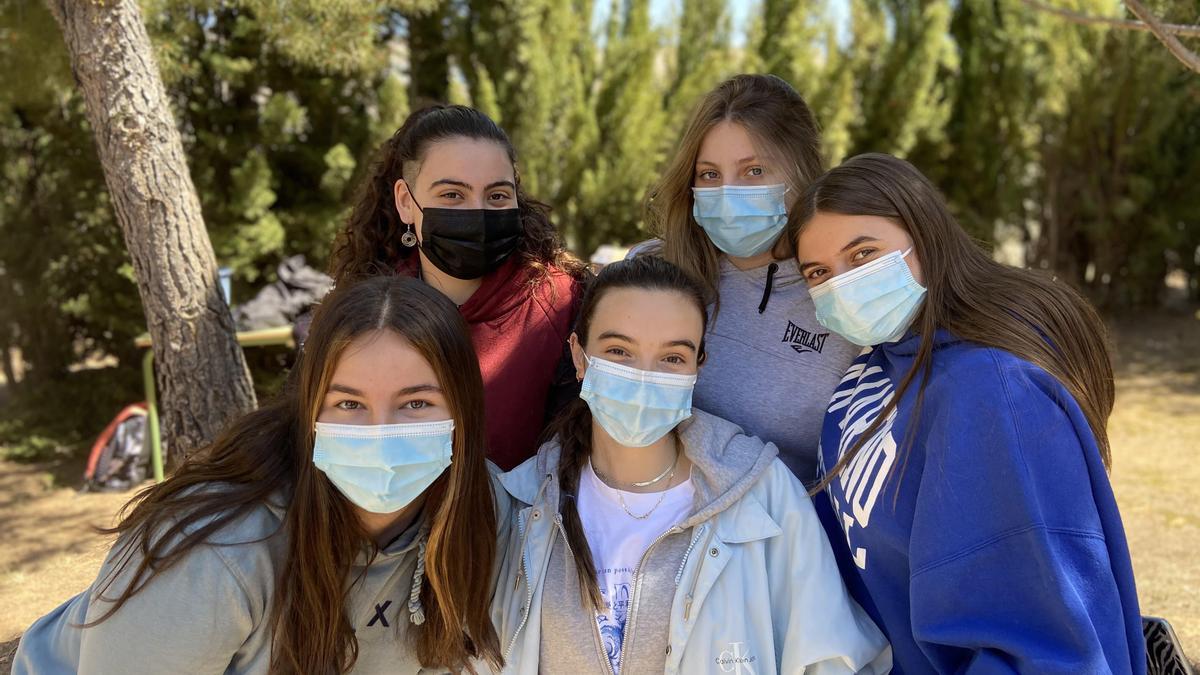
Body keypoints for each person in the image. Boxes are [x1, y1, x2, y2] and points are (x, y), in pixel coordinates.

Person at [13, 276, 503, 674]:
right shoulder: (212, 554)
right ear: (309, 409)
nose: (381, 435)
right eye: (348, 403)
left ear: (462, 410)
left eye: (416, 403)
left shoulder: (477, 514)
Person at [792, 153, 1145, 674]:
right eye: (819, 272)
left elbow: (1046, 646)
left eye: (863, 254)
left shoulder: (994, 394)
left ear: (926, 240)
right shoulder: (882, 354)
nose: (841, 284)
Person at [491, 256, 891, 674]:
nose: (644, 374)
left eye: (672, 358)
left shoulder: (764, 497)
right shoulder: (522, 502)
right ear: (579, 356)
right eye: (618, 351)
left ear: (698, 366)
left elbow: (831, 661)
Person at [330, 104, 588, 471]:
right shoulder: (366, 309)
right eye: (452, 195)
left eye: (497, 195)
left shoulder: (561, 303)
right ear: (406, 202)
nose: (477, 213)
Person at [642, 73, 858, 484]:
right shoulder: (651, 274)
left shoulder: (843, 295)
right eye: (709, 175)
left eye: (754, 171)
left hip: (786, 534)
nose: (728, 193)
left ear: (802, 172)